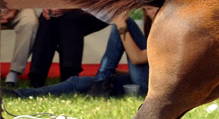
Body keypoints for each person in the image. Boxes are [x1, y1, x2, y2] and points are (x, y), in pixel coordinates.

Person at [4, 6, 157, 98]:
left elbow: (137, 59)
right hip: (140, 80)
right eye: (146, 9)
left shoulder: (170, 30)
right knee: (77, 82)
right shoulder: (154, 26)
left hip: (149, 87)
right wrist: (115, 73)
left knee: (126, 21)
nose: (149, 13)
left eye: (151, 8)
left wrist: (121, 24)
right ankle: (20, 94)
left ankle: (101, 80)